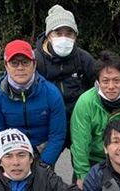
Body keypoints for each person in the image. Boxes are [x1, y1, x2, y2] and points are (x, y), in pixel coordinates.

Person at [70, 51, 120, 188]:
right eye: (105, 81)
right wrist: (82, 175)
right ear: (97, 81)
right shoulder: (85, 102)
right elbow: (80, 143)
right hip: (93, 161)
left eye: (116, 80)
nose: (111, 86)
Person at [0, 39, 67, 168]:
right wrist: (5, 159)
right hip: (11, 154)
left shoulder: (52, 93)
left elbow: (57, 135)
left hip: (43, 152)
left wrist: (45, 164)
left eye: (25, 62)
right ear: (6, 65)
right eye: (14, 63)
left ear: (34, 64)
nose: (20, 68)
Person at [33, 5, 96, 155]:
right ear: (48, 35)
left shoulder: (84, 59)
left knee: (87, 170)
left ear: (75, 36)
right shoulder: (35, 60)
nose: (64, 38)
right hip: (47, 126)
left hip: (80, 124)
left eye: (69, 33)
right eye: (58, 33)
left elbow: (98, 90)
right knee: (41, 169)